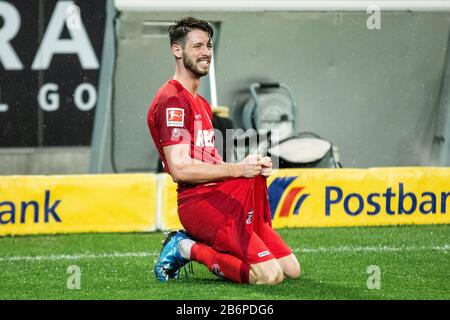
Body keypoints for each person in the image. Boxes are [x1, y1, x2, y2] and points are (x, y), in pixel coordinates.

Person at [147, 17, 300, 285]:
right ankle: (186, 247)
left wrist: (247, 164)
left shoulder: (202, 103)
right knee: (269, 276)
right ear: (177, 50)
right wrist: (238, 170)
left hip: (221, 196)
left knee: (291, 269)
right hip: (199, 204)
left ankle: (219, 246)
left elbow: (210, 160)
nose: (205, 52)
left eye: (208, 45)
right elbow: (180, 169)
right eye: (197, 46)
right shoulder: (172, 100)